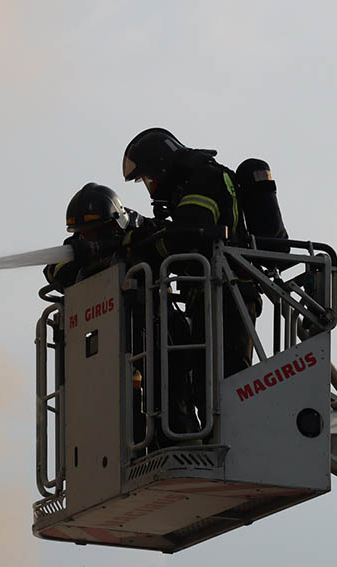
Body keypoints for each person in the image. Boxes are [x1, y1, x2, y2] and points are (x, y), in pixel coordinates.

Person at [44, 182, 200, 443]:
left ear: (115, 220)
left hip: (157, 324)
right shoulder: (77, 244)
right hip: (111, 335)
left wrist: (126, 247)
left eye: (97, 232)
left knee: (172, 386)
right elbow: (53, 271)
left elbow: (171, 243)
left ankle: (185, 441)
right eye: (84, 234)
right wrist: (86, 255)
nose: (89, 237)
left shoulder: (142, 229)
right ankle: (138, 446)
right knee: (122, 397)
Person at [122, 128, 261, 384]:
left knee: (225, 385)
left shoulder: (203, 179)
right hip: (212, 294)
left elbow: (186, 234)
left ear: (161, 166)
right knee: (206, 386)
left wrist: (142, 248)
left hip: (228, 293)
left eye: (148, 179)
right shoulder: (198, 180)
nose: (150, 187)